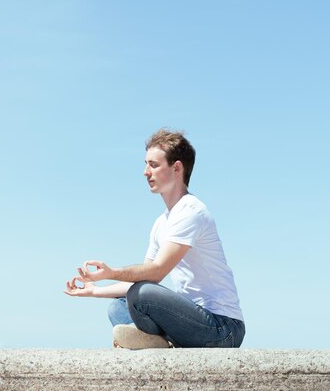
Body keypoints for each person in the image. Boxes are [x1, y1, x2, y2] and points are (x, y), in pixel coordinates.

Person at [64, 129, 245, 349]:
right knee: (117, 308)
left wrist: (111, 272)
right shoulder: (161, 222)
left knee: (142, 294)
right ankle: (158, 342)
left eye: (154, 165)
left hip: (223, 328)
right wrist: (94, 291)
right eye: (146, 164)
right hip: (192, 321)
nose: (145, 172)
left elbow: (156, 272)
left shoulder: (191, 211)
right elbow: (146, 278)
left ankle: (155, 341)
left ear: (176, 168)